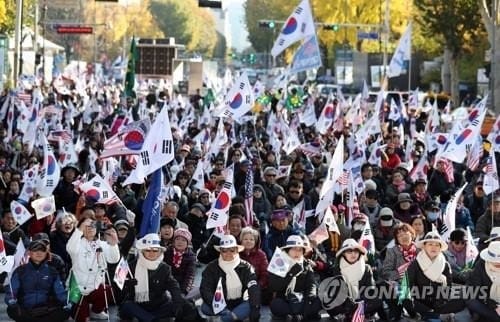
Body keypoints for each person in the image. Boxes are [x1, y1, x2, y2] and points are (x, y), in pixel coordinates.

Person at [119, 233, 200, 322]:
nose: (151, 253)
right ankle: (151, 319)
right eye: (148, 250)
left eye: (155, 251)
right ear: (142, 251)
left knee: (185, 304)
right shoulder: (131, 266)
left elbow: (174, 286)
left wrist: (179, 301)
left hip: (159, 305)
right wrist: (127, 285)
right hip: (138, 305)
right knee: (127, 306)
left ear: (159, 252)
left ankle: (148, 318)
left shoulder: (164, 268)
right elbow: (119, 290)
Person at [66, 217, 120, 322]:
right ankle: (75, 312)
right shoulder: (77, 243)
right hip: (78, 288)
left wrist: (113, 244)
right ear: (81, 229)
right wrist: (79, 230)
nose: (90, 228)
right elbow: (70, 248)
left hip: (95, 286)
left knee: (108, 290)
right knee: (84, 319)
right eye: (87, 226)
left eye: (93, 226)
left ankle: (96, 312)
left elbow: (113, 259)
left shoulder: (102, 244)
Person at [5, 240, 71, 322]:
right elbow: (11, 291)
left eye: (42, 250)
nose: (39, 253)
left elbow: (60, 292)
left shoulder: (52, 271)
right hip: (26, 311)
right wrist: (11, 301)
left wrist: (67, 302)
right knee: (12, 310)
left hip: (47, 311)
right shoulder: (20, 271)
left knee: (64, 312)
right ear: (29, 253)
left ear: (46, 253)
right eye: (35, 250)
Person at [200, 235, 261, 322]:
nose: (228, 253)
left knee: (251, 304)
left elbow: (254, 287)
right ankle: (232, 316)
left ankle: (223, 319)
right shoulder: (211, 267)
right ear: (220, 252)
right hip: (219, 302)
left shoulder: (246, 267)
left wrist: (255, 308)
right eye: (224, 251)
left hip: (240, 302)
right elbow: (205, 289)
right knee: (205, 307)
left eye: (232, 250)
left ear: (237, 250)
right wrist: (220, 307)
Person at [407, 231, 465, 321]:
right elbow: (407, 286)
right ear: (424, 246)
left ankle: (435, 314)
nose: (433, 247)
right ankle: (435, 315)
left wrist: (440, 302)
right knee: (404, 299)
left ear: (440, 248)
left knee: (462, 299)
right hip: (420, 301)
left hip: (439, 302)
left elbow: (448, 288)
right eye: (430, 244)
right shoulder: (415, 264)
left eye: (437, 245)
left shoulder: (445, 265)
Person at [326, 239, 386, 321]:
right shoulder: (337, 269)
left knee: (377, 299)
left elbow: (371, 288)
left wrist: (359, 302)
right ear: (343, 253)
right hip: (346, 303)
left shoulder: (366, 268)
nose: (353, 254)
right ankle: (353, 313)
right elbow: (338, 290)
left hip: (363, 301)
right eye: (349, 252)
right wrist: (350, 303)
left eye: (356, 251)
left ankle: (354, 313)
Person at [268, 235, 322, 321]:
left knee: (318, 301)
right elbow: (274, 286)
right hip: (285, 300)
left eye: (300, 250)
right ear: (287, 250)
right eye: (293, 249)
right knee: (275, 305)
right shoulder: (279, 263)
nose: (297, 252)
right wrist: (291, 273)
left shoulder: (306, 265)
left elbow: (311, 285)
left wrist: (309, 300)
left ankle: (298, 315)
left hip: (302, 300)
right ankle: (299, 315)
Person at [381, 223, 418, 321]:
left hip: (418, 283)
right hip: (399, 283)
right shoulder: (392, 251)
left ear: (412, 234)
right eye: (399, 235)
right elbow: (386, 272)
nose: (403, 237)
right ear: (396, 239)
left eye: (405, 233)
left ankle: (413, 313)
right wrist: (400, 272)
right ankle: (405, 313)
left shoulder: (420, 250)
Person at [466, 241, 500, 321]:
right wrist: (494, 305)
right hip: (485, 301)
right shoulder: (481, 266)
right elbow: (475, 290)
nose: (497, 263)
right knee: (472, 301)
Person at [239, 227, 269, 302]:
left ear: (255, 241)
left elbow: (264, 274)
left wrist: (257, 286)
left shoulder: (261, 254)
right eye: (245, 239)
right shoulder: (236, 253)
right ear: (241, 240)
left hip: (256, 286)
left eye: (251, 239)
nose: (248, 241)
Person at [163, 228, 196, 296]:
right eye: (177, 239)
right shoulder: (166, 252)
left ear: (188, 243)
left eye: (183, 240)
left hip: (182, 285)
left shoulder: (191, 257)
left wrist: (184, 292)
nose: (180, 242)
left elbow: (190, 276)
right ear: (173, 241)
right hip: (166, 284)